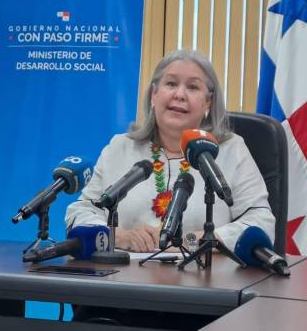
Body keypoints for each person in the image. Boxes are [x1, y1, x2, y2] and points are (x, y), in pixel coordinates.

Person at [66, 49, 275, 253]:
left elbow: (261, 222)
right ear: (154, 94)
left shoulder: (231, 150)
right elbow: (82, 211)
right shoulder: (120, 147)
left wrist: (192, 242)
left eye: (193, 87)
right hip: (125, 280)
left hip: (203, 279)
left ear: (208, 102)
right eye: (171, 83)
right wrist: (116, 236)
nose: (180, 94)